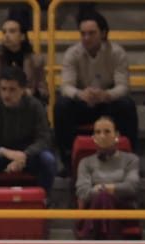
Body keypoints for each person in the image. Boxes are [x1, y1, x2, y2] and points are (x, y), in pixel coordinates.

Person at [55, 11, 137, 164]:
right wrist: (81, 94)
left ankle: (130, 157)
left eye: (91, 33)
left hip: (107, 103)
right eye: (83, 33)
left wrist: (106, 95)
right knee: (62, 105)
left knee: (127, 105)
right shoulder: (72, 53)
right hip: (82, 104)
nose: (86, 38)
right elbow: (66, 86)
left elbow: (123, 86)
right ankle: (67, 160)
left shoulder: (117, 53)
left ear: (103, 33)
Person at [0, 66, 56, 208]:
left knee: (48, 160)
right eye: (3, 89)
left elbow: (45, 139)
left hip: (27, 156)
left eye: (12, 89)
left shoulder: (35, 106)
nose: (6, 94)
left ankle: (44, 203)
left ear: (23, 90)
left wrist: (24, 156)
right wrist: (6, 152)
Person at [74, 115, 140, 239]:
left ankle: (92, 239)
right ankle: (109, 240)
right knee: (103, 198)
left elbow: (132, 187)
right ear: (93, 137)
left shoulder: (131, 160)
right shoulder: (85, 162)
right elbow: (82, 192)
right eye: (98, 132)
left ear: (117, 135)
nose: (102, 136)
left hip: (123, 211)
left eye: (107, 132)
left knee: (104, 196)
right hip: (94, 209)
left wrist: (102, 187)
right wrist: (108, 190)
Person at [0, 15, 45, 105]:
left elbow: (44, 91)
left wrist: (29, 93)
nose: (7, 35)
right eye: (4, 32)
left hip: (26, 106)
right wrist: (2, 101)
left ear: (22, 36)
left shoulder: (36, 60)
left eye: (12, 31)